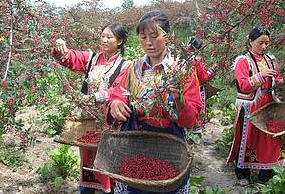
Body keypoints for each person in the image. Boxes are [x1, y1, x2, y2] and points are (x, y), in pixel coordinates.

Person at [107, 10, 202, 194]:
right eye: (143, 37)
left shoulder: (182, 71)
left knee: (168, 185)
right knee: (133, 185)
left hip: (170, 142)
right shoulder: (133, 68)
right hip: (135, 141)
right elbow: (117, 93)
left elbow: (191, 119)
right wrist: (116, 103)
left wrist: (181, 103)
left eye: (154, 36)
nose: (148, 43)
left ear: (167, 35)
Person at [52, 22, 129, 194]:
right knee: (87, 156)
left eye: (109, 37)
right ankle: (87, 188)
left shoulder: (125, 66)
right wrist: (60, 47)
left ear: (120, 41)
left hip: (109, 121)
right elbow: (71, 57)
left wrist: (95, 97)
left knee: (108, 158)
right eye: (102, 35)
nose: (104, 39)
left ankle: (109, 189)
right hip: (88, 120)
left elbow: (118, 90)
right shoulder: (92, 59)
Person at [226, 26, 284, 186]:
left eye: (266, 43)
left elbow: (277, 77)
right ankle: (242, 172)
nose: (264, 47)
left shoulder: (269, 59)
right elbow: (243, 85)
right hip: (251, 106)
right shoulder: (243, 61)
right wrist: (261, 76)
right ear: (250, 41)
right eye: (260, 43)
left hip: (269, 104)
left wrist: (278, 81)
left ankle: (266, 174)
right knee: (248, 138)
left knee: (270, 137)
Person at [188, 36, 217, 133]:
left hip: (186, 90)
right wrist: (212, 69)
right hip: (196, 90)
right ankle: (197, 132)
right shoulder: (196, 61)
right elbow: (204, 78)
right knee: (197, 112)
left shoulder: (182, 58)